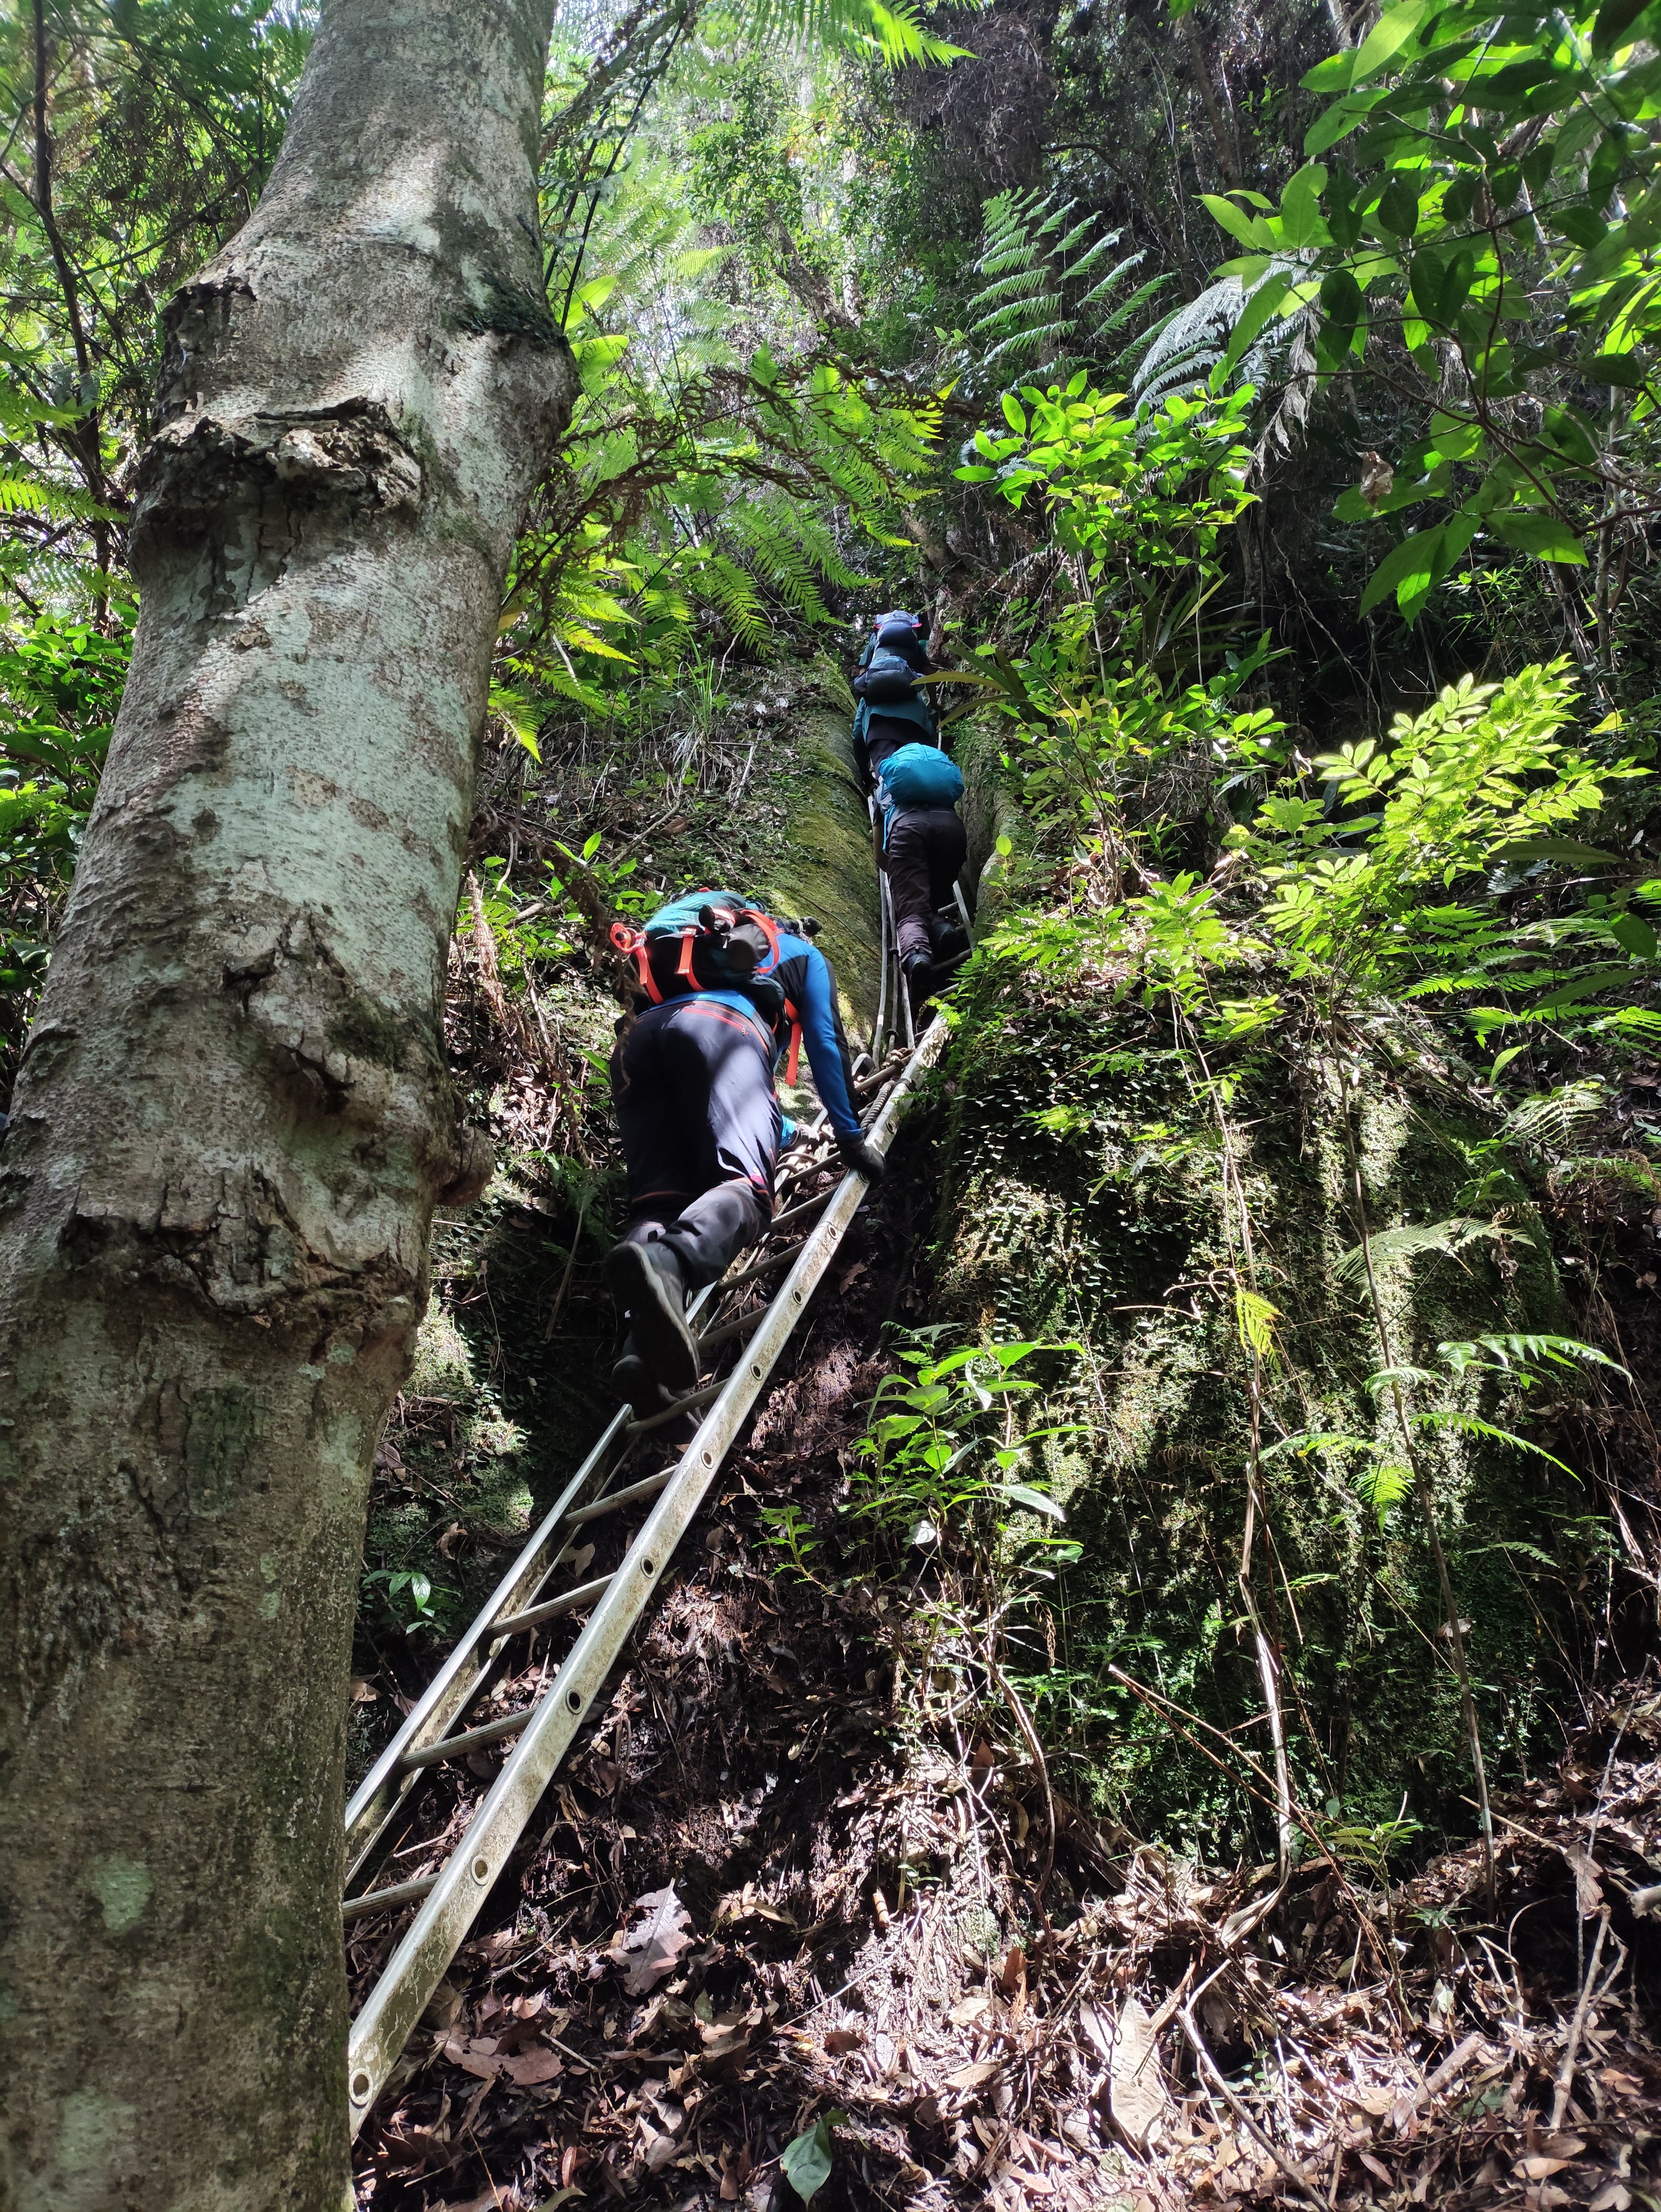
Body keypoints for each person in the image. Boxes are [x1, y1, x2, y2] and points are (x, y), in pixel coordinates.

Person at [604, 890, 886, 1402]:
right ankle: (673, 1264)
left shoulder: (683, 944)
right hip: (723, 1030)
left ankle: (637, 1353)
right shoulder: (801, 954)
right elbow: (824, 1041)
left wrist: (782, 1132)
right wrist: (849, 1137)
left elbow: (731, 1101)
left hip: (636, 1045)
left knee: (660, 1204)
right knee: (748, 1190)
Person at [874, 741, 970, 1014]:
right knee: (932, 901)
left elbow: (880, 857)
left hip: (908, 831)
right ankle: (943, 930)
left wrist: (903, 880)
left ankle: (918, 956)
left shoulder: (886, 785)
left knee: (911, 912)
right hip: (952, 830)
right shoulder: (940, 787)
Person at [850, 608, 937, 788]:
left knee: (891, 785)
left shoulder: (874, 643)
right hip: (916, 725)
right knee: (925, 779)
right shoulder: (916, 644)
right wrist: (935, 705)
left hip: (878, 729)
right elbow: (929, 675)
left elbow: (858, 736)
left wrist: (865, 776)